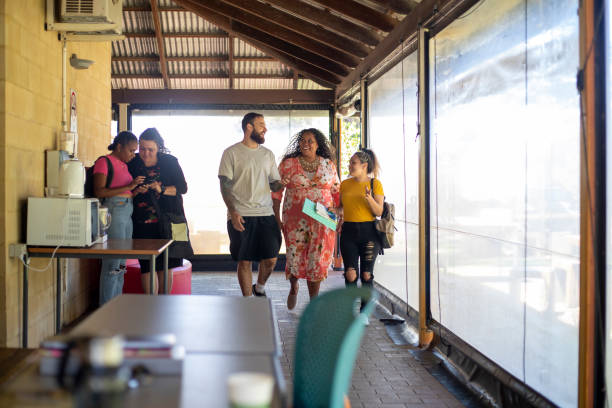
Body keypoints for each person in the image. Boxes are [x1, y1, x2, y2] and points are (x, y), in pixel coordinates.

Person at [219, 112, 286, 297]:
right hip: (241, 214)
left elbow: (274, 184)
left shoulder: (268, 154)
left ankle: (260, 286)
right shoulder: (231, 153)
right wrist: (232, 212)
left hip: (266, 213)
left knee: (272, 258)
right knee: (245, 261)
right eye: (261, 124)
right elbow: (224, 186)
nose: (265, 129)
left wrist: (283, 182)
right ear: (249, 127)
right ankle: (248, 301)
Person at [272, 128, 340, 310]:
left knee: (317, 259)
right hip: (295, 218)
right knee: (295, 255)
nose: (306, 144)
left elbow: (337, 191)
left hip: (323, 217)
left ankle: (314, 302)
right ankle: (294, 286)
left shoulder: (329, 165)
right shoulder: (288, 164)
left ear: (318, 145)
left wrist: (339, 213)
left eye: (310, 141)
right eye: (303, 140)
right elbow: (276, 191)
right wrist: (276, 216)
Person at [128, 127, 191, 294]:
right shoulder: (132, 163)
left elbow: (182, 188)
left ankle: (164, 305)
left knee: (167, 264)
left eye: (151, 149)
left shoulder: (170, 161)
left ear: (158, 148)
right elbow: (125, 192)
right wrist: (135, 191)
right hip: (142, 222)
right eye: (142, 149)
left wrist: (160, 188)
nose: (146, 153)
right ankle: (151, 306)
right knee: (147, 267)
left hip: (170, 220)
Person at [94, 131, 145, 305]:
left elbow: (124, 190)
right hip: (114, 212)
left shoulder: (123, 165)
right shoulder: (104, 162)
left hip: (126, 212)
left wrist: (134, 190)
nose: (133, 155)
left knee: (122, 263)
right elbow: (99, 191)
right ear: (119, 146)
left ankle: (116, 305)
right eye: (131, 151)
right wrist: (129, 186)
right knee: (112, 263)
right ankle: (106, 308)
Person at [338, 149, 384, 298]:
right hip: (348, 232)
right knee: (350, 275)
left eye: (353, 163)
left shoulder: (375, 184)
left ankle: (364, 312)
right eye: (349, 162)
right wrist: (333, 210)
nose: (349, 166)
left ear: (364, 166)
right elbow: (342, 208)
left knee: (366, 275)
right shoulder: (344, 184)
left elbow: (379, 212)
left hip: (369, 232)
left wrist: (369, 198)